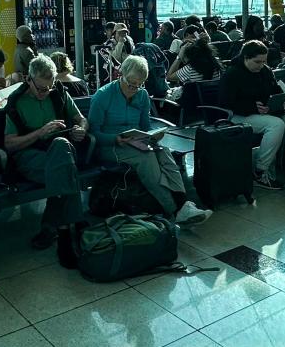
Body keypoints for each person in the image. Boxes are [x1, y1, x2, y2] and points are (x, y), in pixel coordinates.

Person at [87, 55, 210, 224]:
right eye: (131, 82)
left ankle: (182, 204)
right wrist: (116, 139)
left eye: (139, 84)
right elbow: (94, 132)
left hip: (135, 142)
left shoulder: (142, 95)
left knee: (165, 152)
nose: (134, 87)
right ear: (121, 74)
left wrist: (153, 135)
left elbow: (145, 126)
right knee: (148, 158)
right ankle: (174, 209)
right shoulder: (104, 95)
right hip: (110, 146)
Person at [4, 55, 91, 249]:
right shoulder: (16, 101)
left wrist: (81, 129)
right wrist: (40, 132)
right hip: (29, 156)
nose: (46, 92)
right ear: (29, 79)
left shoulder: (58, 92)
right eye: (41, 88)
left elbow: (81, 118)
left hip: (61, 150)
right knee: (65, 168)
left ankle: (54, 228)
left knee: (61, 146)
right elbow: (9, 145)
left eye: (49, 87)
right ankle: (71, 222)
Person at [220, 41, 285, 187]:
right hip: (240, 115)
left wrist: (281, 100)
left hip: (266, 111)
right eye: (257, 61)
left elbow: (275, 89)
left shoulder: (265, 70)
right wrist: (252, 106)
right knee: (276, 125)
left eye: (264, 61)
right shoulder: (232, 74)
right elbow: (226, 102)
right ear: (245, 57)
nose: (261, 65)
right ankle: (260, 170)